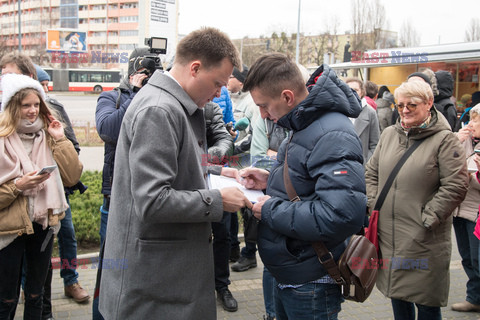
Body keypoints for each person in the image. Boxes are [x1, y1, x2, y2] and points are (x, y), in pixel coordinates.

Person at [98, 27, 251, 320]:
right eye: (217, 83)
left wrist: (221, 172)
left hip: (164, 277)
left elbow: (179, 164)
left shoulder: (173, 105)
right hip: (153, 285)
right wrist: (217, 200)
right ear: (195, 68)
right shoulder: (159, 110)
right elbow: (153, 200)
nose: (220, 92)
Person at [239, 53, 366, 320]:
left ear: (287, 97)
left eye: (264, 106)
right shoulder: (303, 123)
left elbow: (341, 214)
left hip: (311, 282)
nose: (262, 114)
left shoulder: (331, 132)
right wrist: (267, 180)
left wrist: (271, 209)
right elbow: (305, 180)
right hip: (293, 271)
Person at [365, 80, 469, 320]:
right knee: (397, 294)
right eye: (400, 105)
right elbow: (371, 172)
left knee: (426, 301)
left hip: (423, 237)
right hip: (389, 234)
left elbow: (456, 184)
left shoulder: (445, 140)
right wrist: (373, 203)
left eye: (412, 104)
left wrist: (428, 216)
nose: (404, 110)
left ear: (429, 103)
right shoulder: (390, 134)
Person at [0, 73, 82, 319]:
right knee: (7, 298)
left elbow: (72, 177)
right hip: (8, 230)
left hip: (44, 225)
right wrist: (19, 185)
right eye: (26, 105)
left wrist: (60, 139)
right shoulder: (3, 139)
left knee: (36, 295)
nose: (33, 111)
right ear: (13, 106)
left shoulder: (48, 135)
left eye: (37, 104)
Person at [93, 47, 157, 320]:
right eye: (146, 73)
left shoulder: (159, 98)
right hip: (116, 198)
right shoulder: (112, 97)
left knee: (143, 268)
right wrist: (138, 93)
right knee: (110, 266)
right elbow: (109, 130)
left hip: (148, 198)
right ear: (132, 72)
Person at [451, 102, 480, 312]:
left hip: (476, 211)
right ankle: (474, 297)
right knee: (467, 257)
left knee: (478, 259)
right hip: (459, 208)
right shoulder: (463, 140)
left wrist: (474, 176)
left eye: (476, 119)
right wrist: (454, 142)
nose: (471, 123)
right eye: (471, 118)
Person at [345, 77, 380, 165]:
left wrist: (367, 161)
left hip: (362, 166)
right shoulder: (338, 111)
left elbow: (375, 144)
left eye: (355, 90)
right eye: (348, 89)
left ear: (362, 92)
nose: (352, 92)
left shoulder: (370, 112)